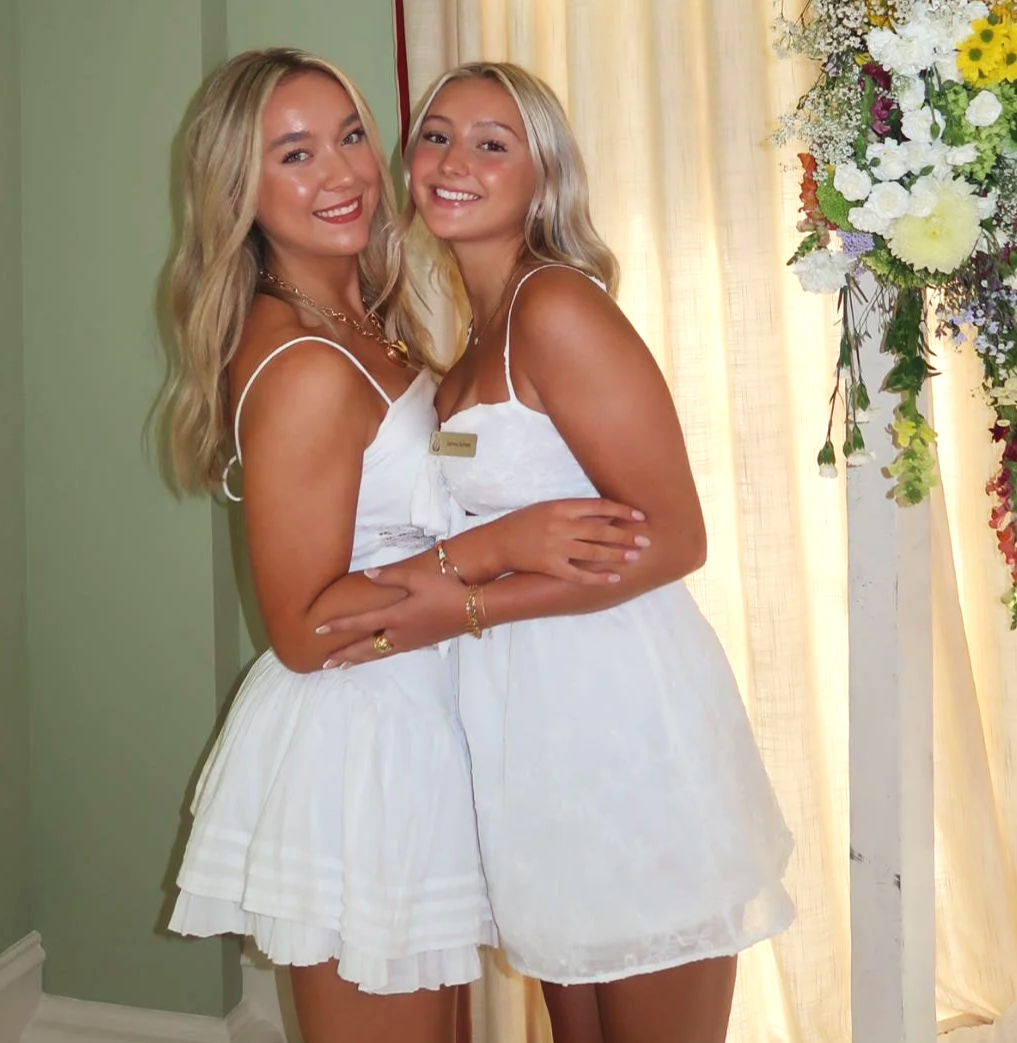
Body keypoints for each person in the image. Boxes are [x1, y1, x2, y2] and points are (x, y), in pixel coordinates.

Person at [159, 49, 649, 1043]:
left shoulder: (364, 324)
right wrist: (497, 546)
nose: (340, 174)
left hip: (420, 719)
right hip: (359, 745)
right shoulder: (301, 363)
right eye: (293, 154)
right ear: (238, 191)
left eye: (349, 136)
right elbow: (301, 629)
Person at [317, 61, 795, 1043]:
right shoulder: (465, 346)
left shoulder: (556, 309)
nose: (453, 160)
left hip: (623, 725)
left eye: (492, 144)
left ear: (544, 179)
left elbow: (675, 536)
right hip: (527, 736)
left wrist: (466, 605)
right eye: (436, 136)